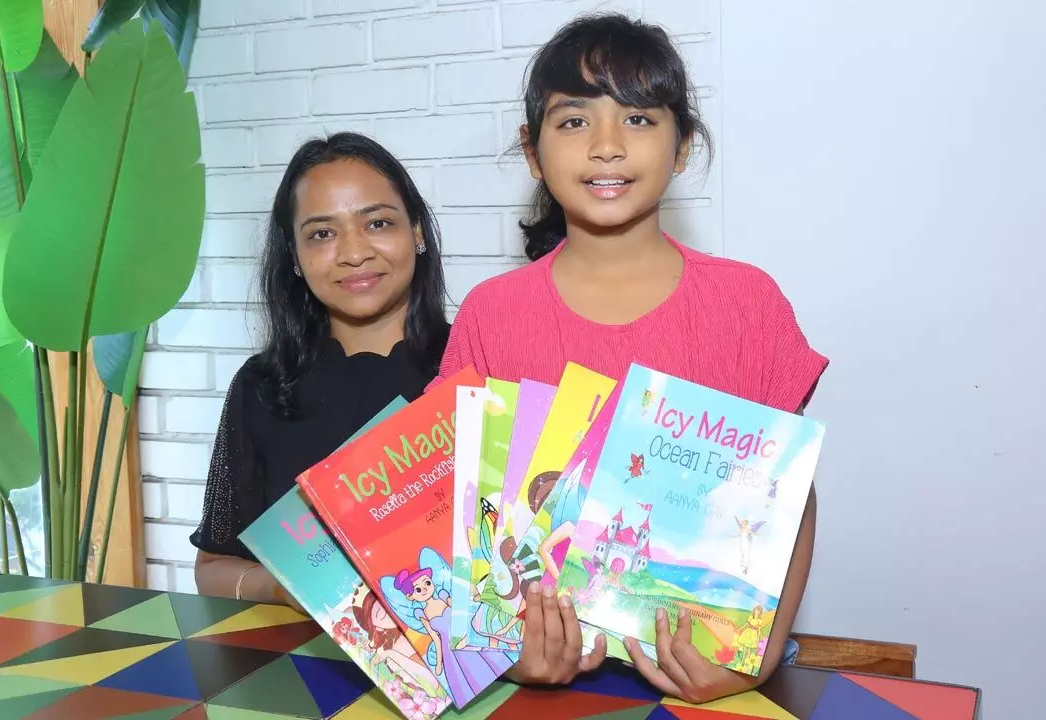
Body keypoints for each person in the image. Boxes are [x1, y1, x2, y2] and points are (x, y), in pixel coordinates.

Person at [431, 13, 827, 703]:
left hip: (706, 676)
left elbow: (791, 497)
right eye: (574, 121)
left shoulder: (747, 303)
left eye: (639, 119)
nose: (607, 146)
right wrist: (506, 649)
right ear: (533, 151)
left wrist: (752, 665)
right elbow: (458, 506)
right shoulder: (493, 313)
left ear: (683, 147)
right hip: (538, 684)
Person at [191, 132, 451, 608]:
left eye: (377, 223)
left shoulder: (471, 368)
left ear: (416, 232)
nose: (354, 253)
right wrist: (281, 587)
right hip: (297, 665)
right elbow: (212, 568)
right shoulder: (262, 386)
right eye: (322, 234)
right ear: (294, 256)